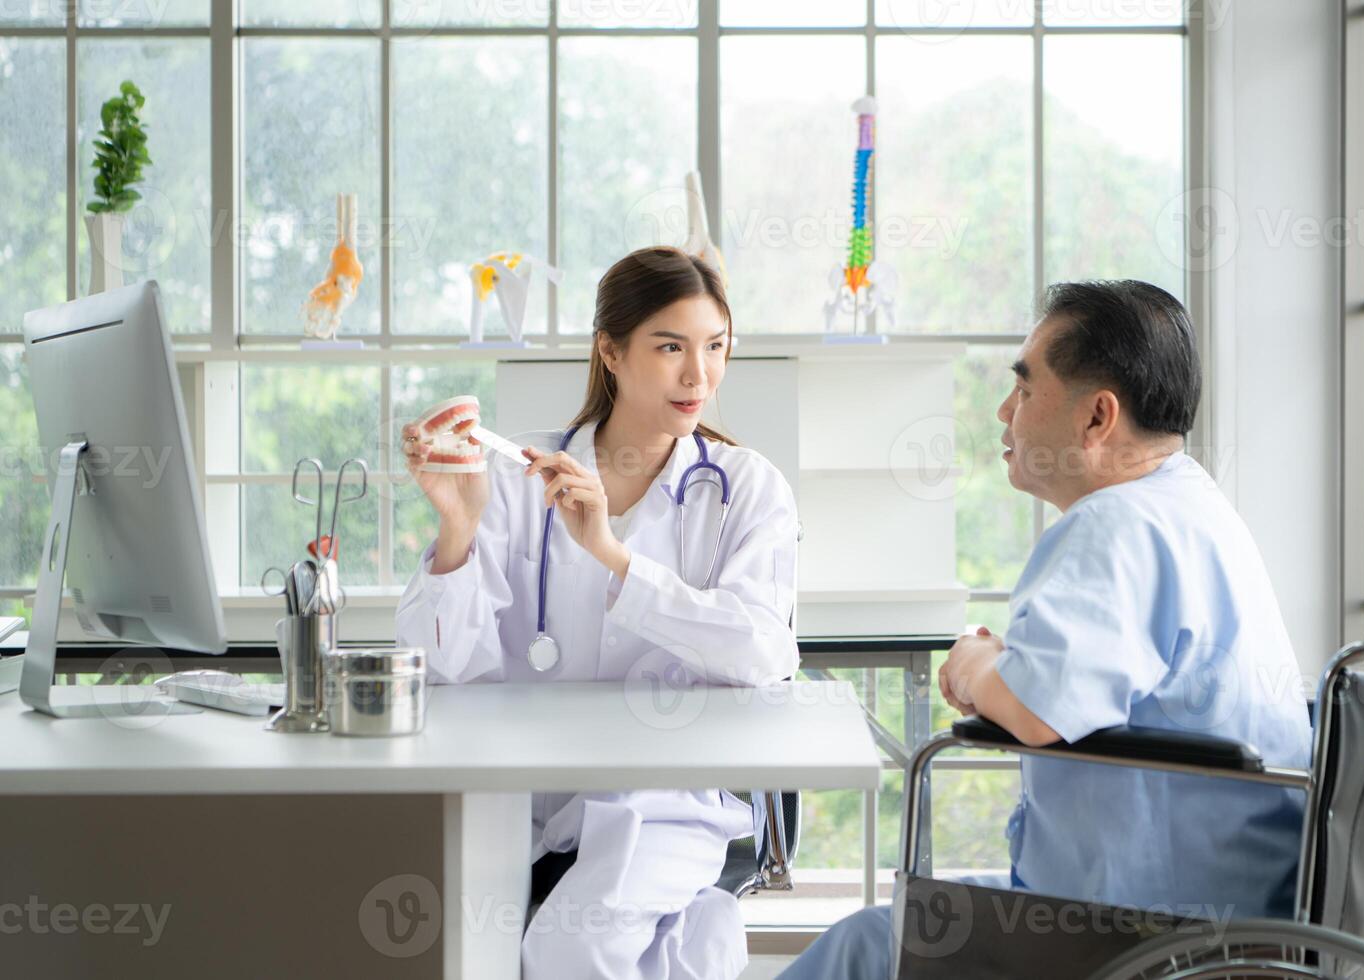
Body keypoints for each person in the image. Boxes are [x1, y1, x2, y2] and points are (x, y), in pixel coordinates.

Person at [780, 280, 1312, 979]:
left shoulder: (1113, 525)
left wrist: (972, 664)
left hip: (1146, 929)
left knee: (863, 949)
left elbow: (1035, 710)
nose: (1004, 413)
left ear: (1097, 416)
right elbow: (1077, 678)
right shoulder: (1191, 504)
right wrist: (1010, 666)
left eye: (1025, 392)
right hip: (1227, 904)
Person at [396, 246, 800, 980]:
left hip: (665, 799)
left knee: (566, 951)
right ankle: (697, 937)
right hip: (519, 802)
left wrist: (614, 556)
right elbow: (443, 666)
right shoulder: (518, 482)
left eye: (715, 348)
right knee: (452, 952)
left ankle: (693, 931)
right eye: (670, 347)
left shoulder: (745, 488)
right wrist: (457, 528)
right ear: (610, 351)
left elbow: (765, 652)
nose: (698, 375)